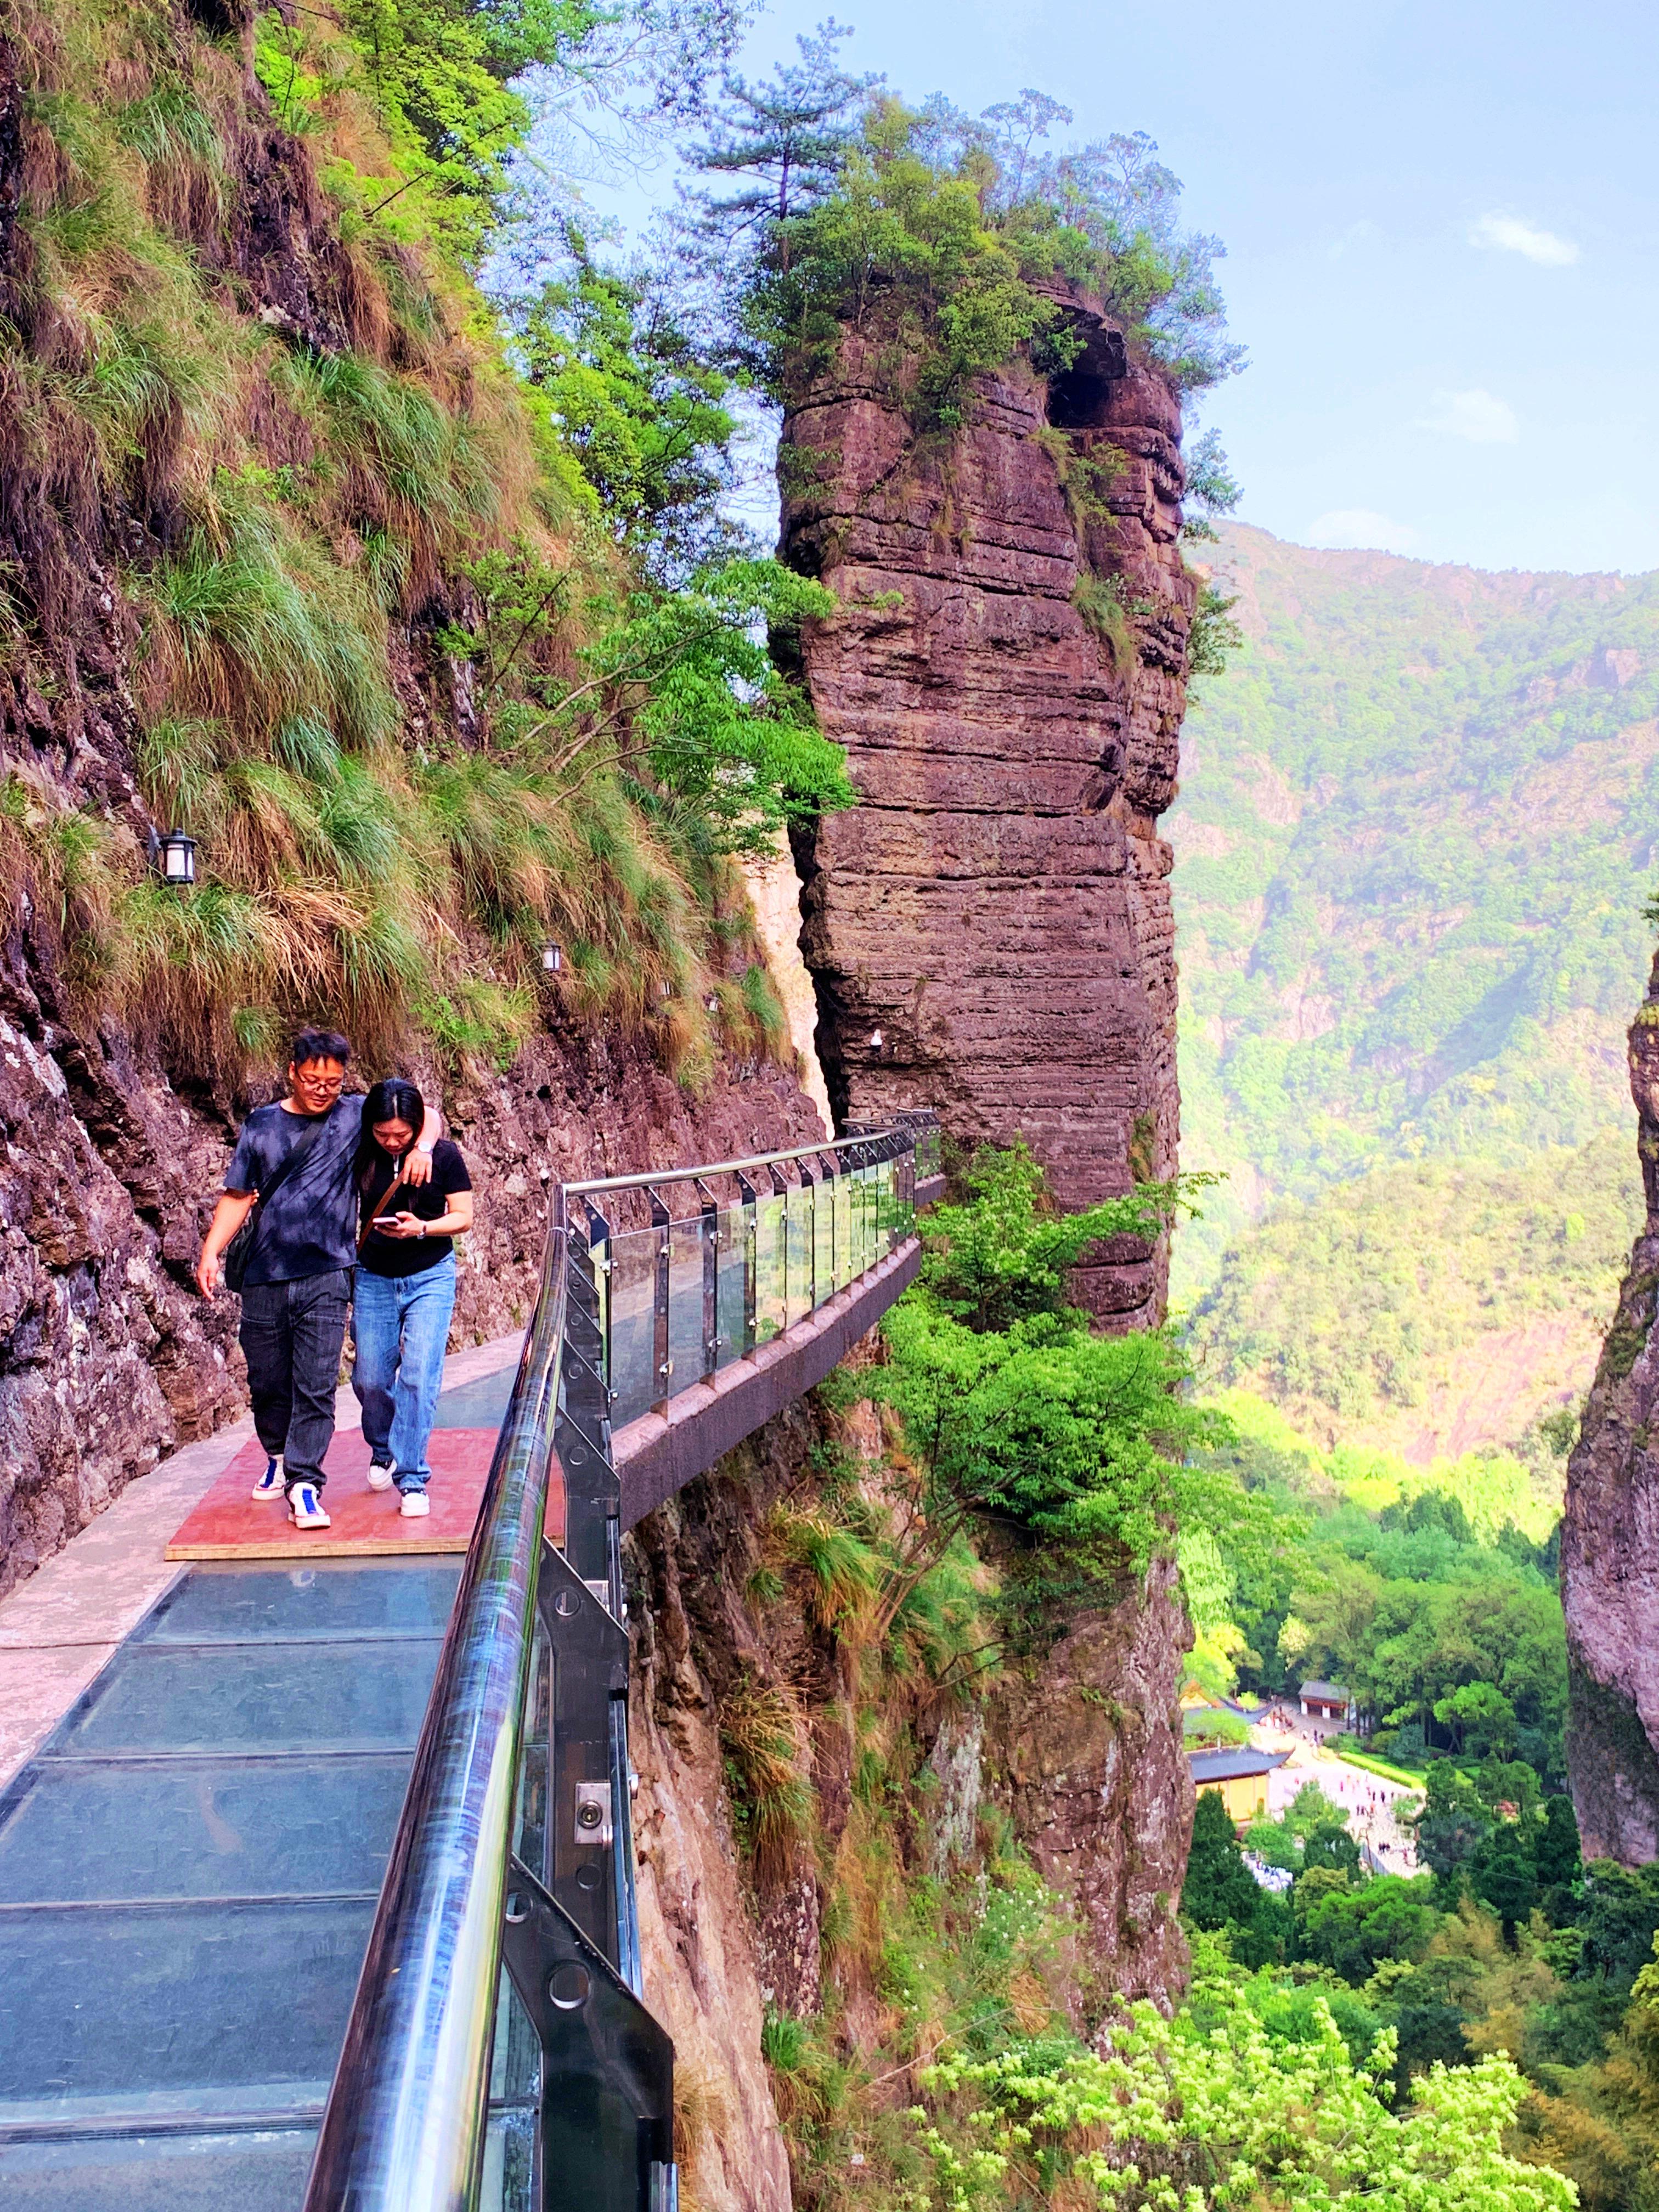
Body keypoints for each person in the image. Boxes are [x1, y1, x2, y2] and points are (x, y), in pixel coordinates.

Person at [196, 1031, 441, 1530]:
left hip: (330, 1272)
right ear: (292, 1072)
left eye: (333, 1082)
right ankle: (277, 1453)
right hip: (265, 1274)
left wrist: (425, 1148)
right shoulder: (262, 1126)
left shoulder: (354, 1114)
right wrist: (210, 1251)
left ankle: (305, 1483)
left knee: (316, 1384)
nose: (323, 1090)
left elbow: (425, 1114)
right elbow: (239, 1196)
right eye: (313, 1080)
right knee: (268, 1381)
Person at [351, 1077, 473, 1519]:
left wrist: (420, 1227)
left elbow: (463, 1216)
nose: (391, 1141)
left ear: (417, 1125)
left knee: (419, 1374)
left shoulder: (441, 1155)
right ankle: (383, 1448)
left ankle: (413, 1477)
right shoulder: (361, 1149)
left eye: (401, 1135)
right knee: (369, 1378)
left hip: (429, 1276)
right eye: (383, 1133)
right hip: (374, 1274)